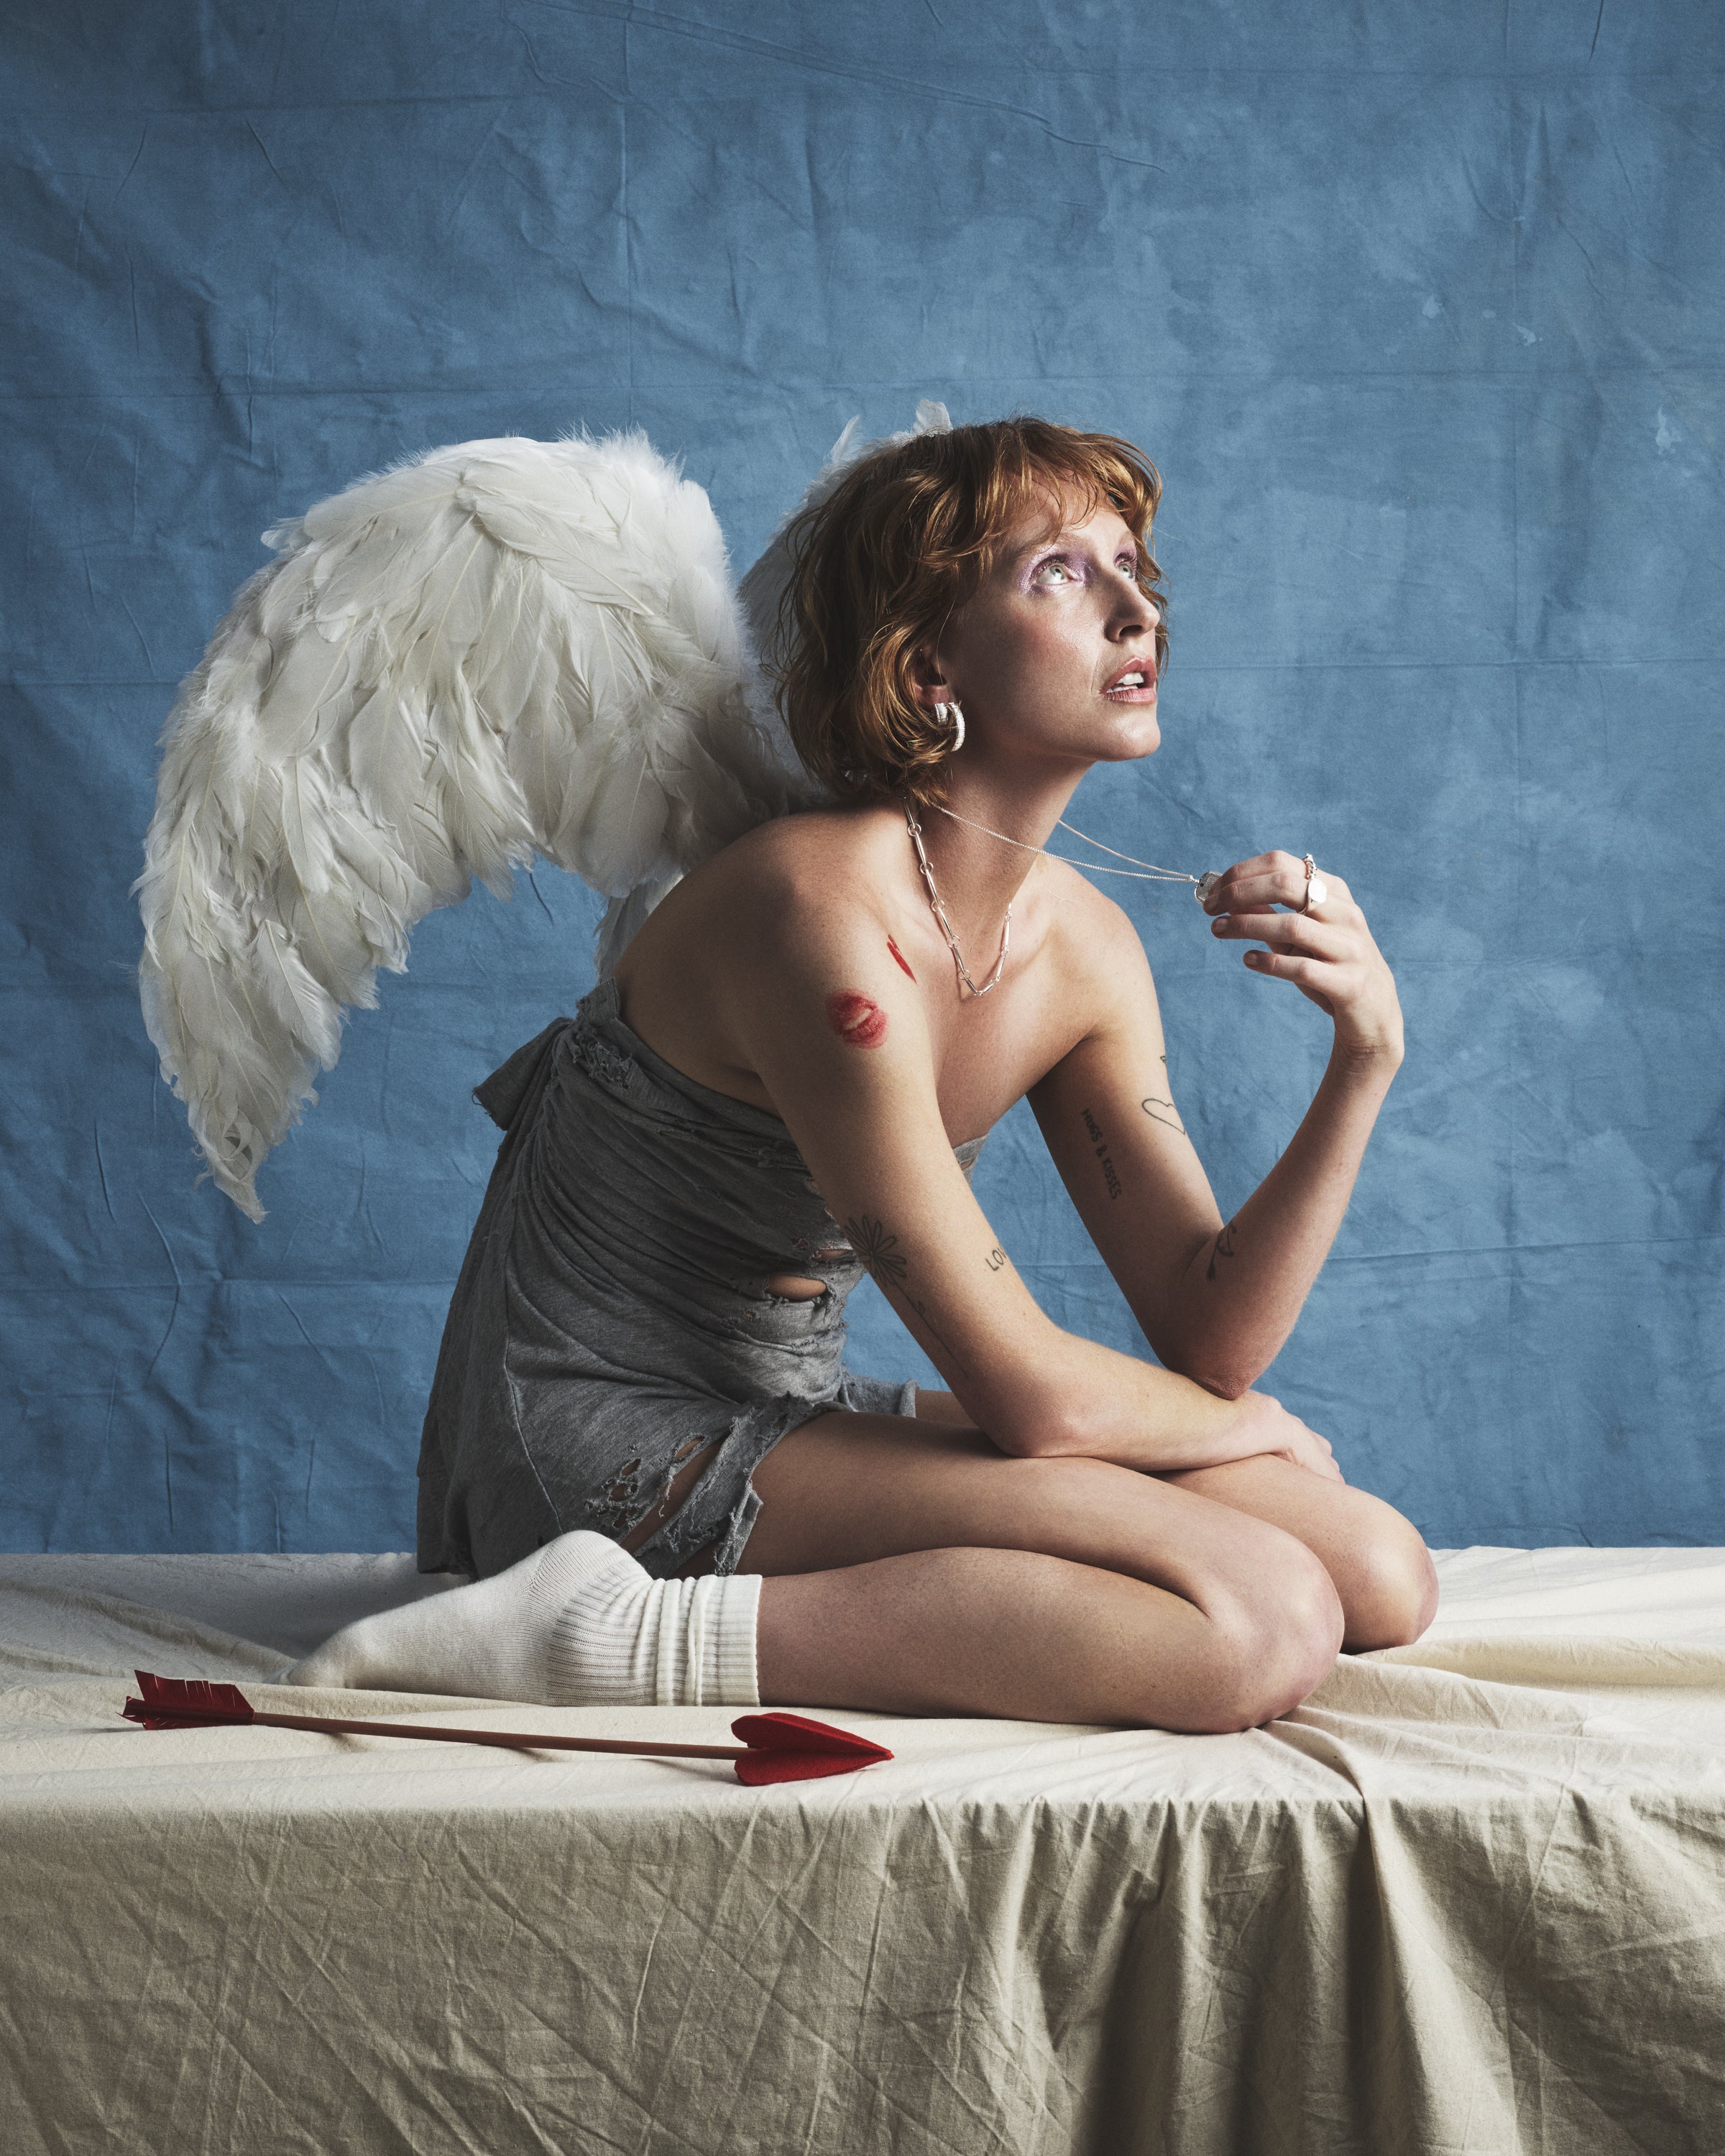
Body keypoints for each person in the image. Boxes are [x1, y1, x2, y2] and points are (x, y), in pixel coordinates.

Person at [291, 418, 1436, 1730]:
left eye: (1132, 565)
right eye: (1060, 574)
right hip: (592, 1446)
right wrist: (1245, 1432)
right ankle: (591, 1633)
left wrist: (1365, 1057)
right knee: (1261, 1619)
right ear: (928, 658)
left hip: (785, 1410)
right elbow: (1034, 1397)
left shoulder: (1083, 947)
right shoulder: (822, 914)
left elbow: (1212, 1334)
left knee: (1379, 1574)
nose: (1137, 612)